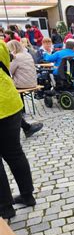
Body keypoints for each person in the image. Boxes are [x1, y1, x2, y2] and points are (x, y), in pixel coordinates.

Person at [0, 41, 37, 219]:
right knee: (15, 153)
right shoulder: (0, 44)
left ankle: (5, 206)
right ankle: (27, 194)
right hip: (9, 101)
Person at [6, 40, 44, 138]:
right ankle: (25, 125)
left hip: (22, 83)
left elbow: (10, 71)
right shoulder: (27, 54)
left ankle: (24, 122)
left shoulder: (16, 57)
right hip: (32, 81)